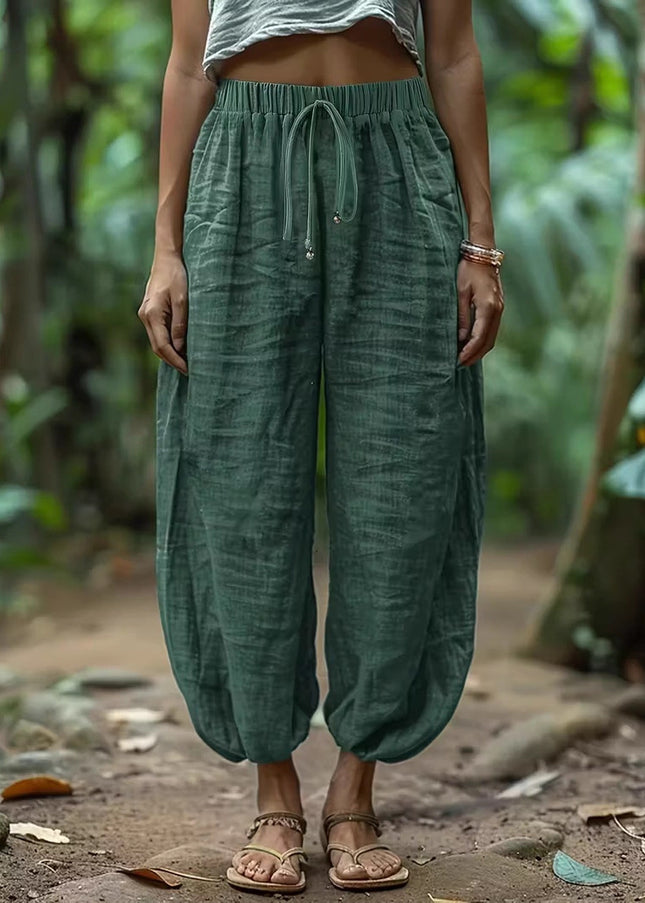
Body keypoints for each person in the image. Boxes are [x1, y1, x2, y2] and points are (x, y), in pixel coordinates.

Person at [138, 0, 503, 894]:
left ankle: (354, 785)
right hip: (241, 171)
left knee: (402, 472)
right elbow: (189, 63)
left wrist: (480, 244)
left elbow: (451, 53)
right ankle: (272, 788)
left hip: (397, 163)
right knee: (239, 474)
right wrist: (164, 249)